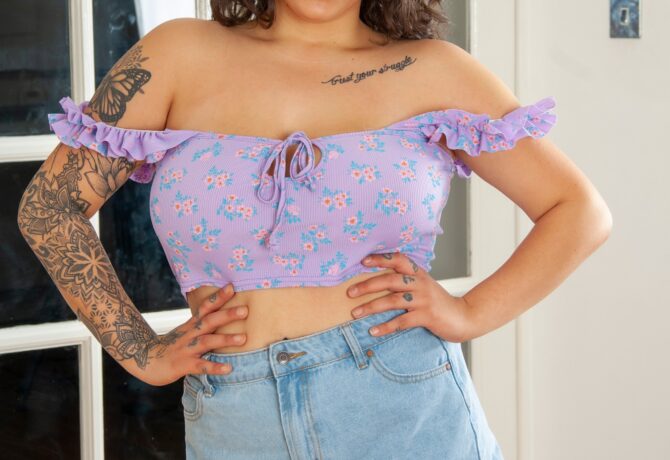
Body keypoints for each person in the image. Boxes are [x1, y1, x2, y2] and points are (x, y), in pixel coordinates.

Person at [17, 1, 612, 459]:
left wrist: (470, 313)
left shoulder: (436, 70)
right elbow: (50, 208)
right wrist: (139, 350)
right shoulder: (178, 53)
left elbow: (578, 210)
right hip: (236, 414)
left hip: (404, 403)